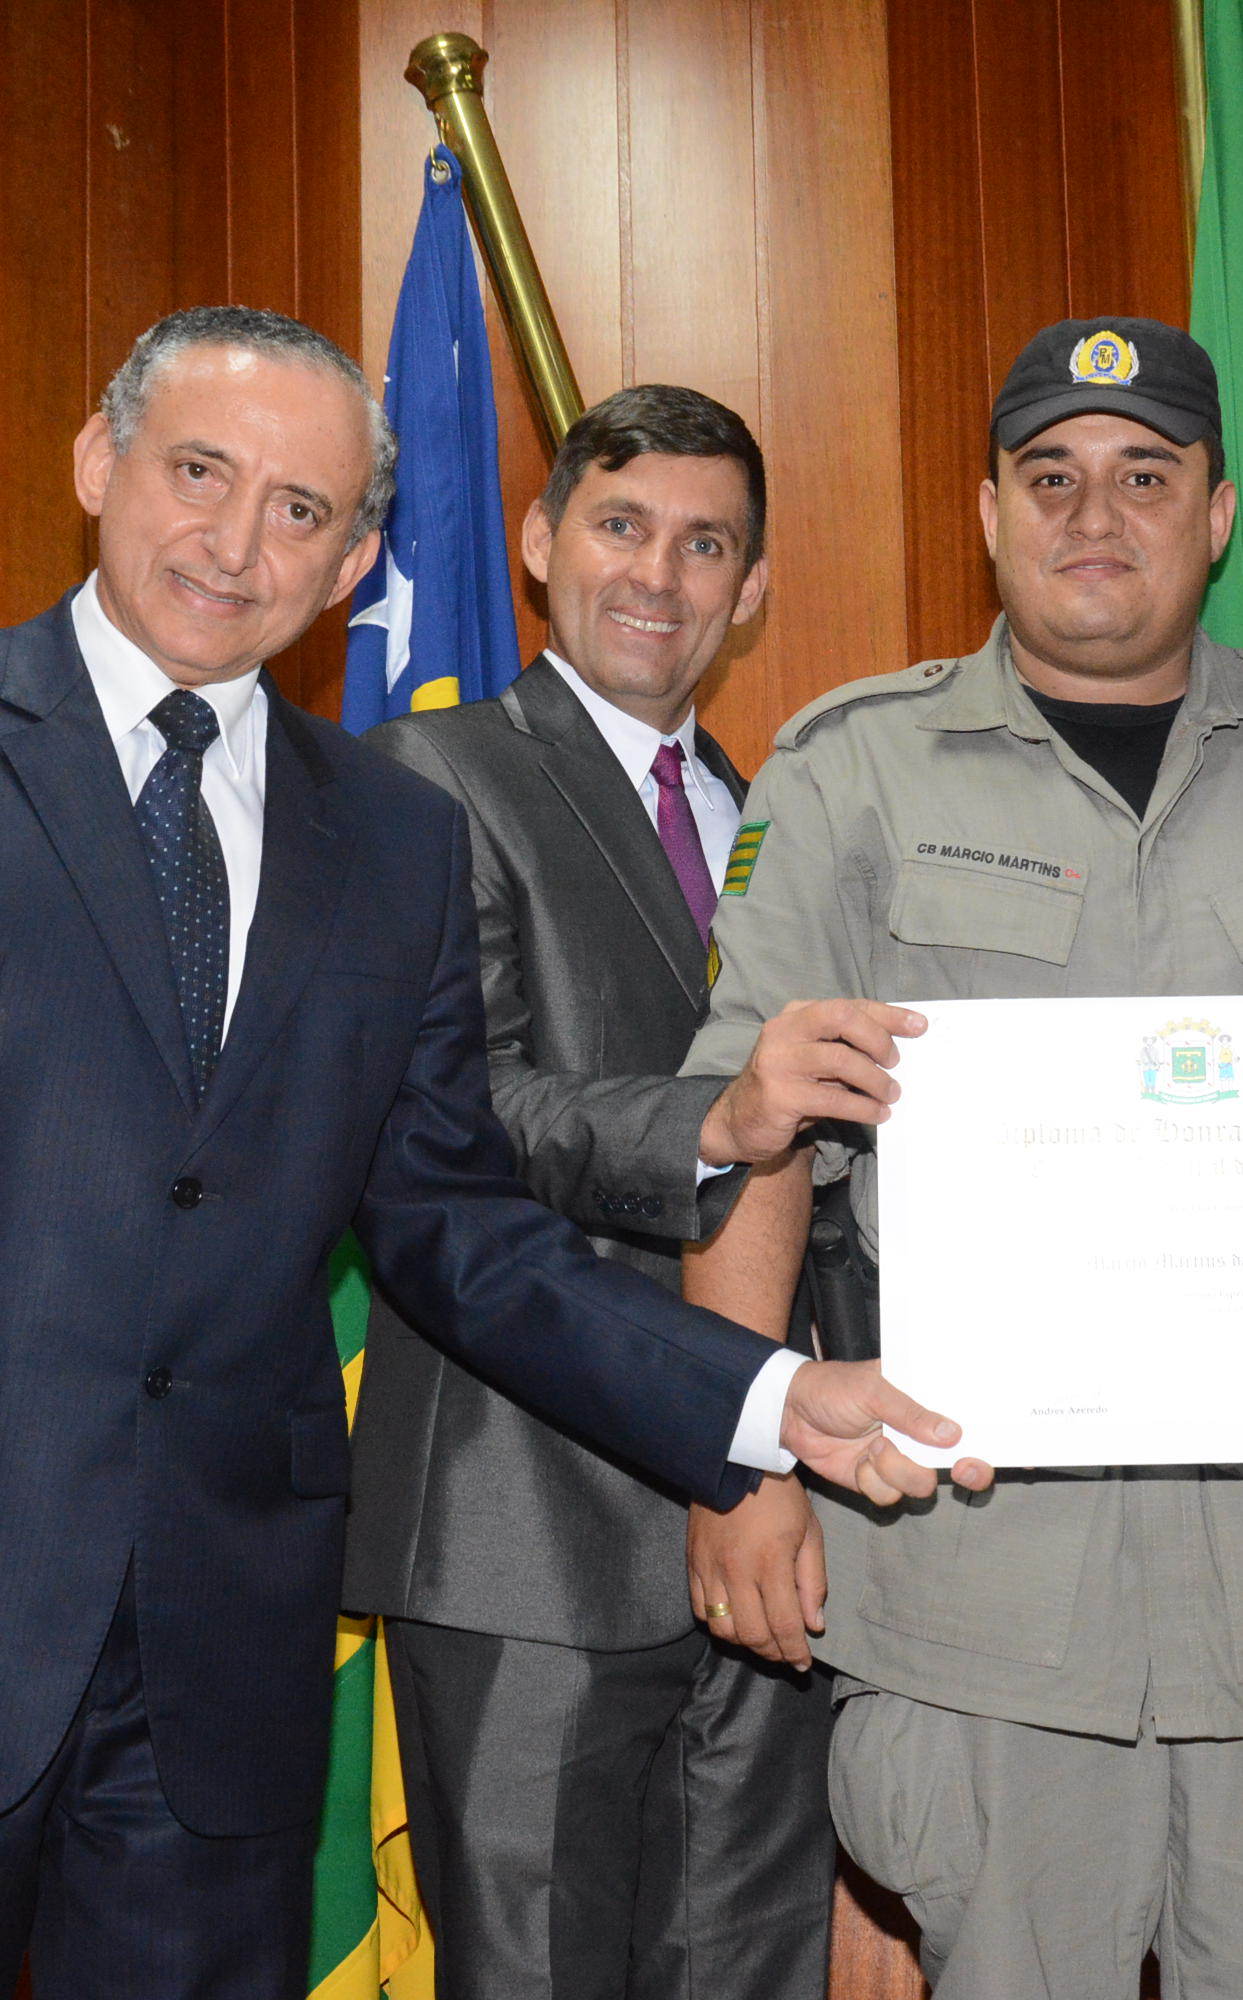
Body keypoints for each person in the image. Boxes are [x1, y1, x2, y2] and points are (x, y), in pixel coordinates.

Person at [0, 305, 980, 2000]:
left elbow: (456, 1228)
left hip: (217, 1685)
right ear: (98, 463)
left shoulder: (396, 835)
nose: (235, 542)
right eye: (200, 473)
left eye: (299, 511)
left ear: (353, 565)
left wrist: (764, 1400)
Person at [676, 318, 1243, 2000]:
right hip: (980, 1599)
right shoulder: (848, 764)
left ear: (1218, 516)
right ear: (988, 512)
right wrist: (737, 1470)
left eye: (1147, 477)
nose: (1096, 514)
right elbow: (751, 1136)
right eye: (1052, 477)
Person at [347, 385, 845, 1998]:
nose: (659, 574)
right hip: (528, 1530)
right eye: (622, 526)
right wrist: (722, 1117)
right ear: (540, 541)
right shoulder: (429, 774)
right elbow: (452, 1116)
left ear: (753, 589)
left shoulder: (779, 821)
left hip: (779, 1528)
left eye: (707, 545)